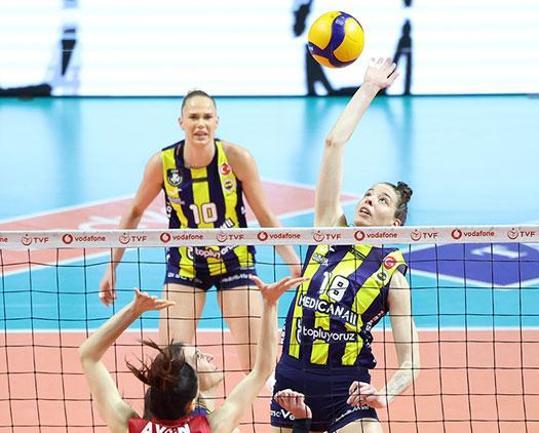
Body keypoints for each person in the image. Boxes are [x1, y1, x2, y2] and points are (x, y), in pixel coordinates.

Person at [98, 90, 301, 371]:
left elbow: (265, 216)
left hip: (235, 261)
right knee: (170, 365)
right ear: (181, 122)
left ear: (217, 121)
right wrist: (111, 266)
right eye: (193, 117)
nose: (201, 124)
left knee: (259, 365)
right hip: (185, 264)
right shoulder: (163, 163)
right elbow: (134, 212)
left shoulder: (237, 158)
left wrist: (293, 262)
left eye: (207, 117)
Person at [270, 57, 421, 433]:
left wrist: (384, 394)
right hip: (292, 383)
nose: (369, 200)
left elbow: (411, 361)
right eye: (368, 194)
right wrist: (368, 88)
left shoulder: (392, 275)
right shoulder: (328, 231)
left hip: (346, 391)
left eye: (382, 200)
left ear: (395, 224)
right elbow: (333, 143)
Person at [79, 275, 307, 433]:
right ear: (191, 405)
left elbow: (88, 355)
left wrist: (133, 310)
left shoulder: (130, 427)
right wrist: (269, 304)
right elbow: (262, 370)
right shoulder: (211, 427)